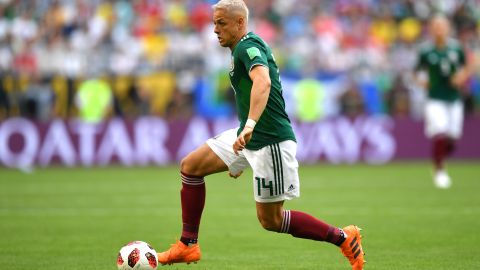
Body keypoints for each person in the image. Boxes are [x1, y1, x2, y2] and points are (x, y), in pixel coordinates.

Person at [156, 1, 365, 269]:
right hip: (249, 137)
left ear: (240, 23)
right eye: (214, 23)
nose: (215, 29)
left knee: (271, 221)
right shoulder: (241, 48)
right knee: (191, 167)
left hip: (269, 141)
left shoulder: (247, 46)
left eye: (221, 23)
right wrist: (243, 145)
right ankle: (187, 245)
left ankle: (344, 237)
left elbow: (263, 82)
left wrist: (251, 124)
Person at [416, 15, 471, 189]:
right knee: (440, 132)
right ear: (431, 29)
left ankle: (438, 159)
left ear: (448, 28)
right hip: (435, 99)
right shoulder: (426, 50)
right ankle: (439, 170)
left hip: (453, 98)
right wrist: (421, 81)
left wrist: (461, 77)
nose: (439, 29)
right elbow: (416, 71)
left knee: (452, 138)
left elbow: (469, 65)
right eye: (436, 26)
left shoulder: (456, 48)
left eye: (442, 26)